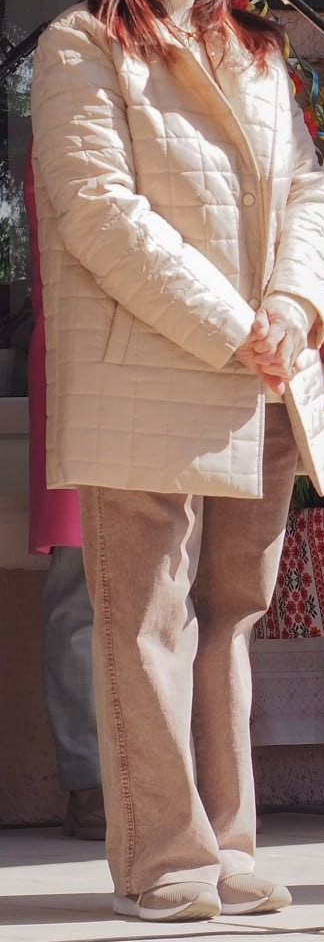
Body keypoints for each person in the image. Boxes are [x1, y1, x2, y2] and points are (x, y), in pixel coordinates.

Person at [30, 0, 324, 921]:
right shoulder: (82, 46)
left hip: (257, 377)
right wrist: (233, 325)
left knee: (229, 615)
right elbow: (97, 213)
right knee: (145, 617)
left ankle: (230, 843)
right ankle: (165, 859)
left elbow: (311, 190)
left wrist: (295, 311)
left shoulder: (256, 54)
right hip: (153, 373)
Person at [25, 158, 103, 841]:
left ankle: (164, 781)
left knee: (179, 592)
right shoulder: (66, 105)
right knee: (80, 597)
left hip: (173, 376)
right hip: (85, 367)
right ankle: (91, 782)